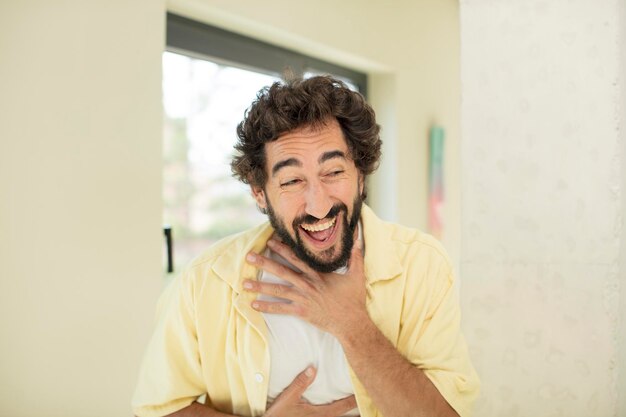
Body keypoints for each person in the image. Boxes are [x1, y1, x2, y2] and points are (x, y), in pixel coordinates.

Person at [132, 75, 479, 417]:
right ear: (260, 193)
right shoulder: (204, 281)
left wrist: (352, 324)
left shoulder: (423, 265)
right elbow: (157, 411)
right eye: (292, 180)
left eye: (333, 172)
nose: (318, 206)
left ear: (361, 176)